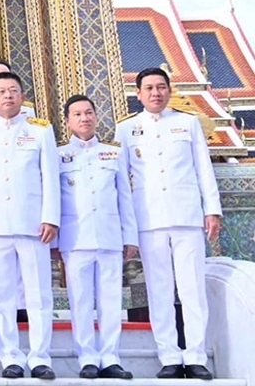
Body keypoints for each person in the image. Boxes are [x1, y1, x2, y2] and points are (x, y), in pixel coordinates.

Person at [114, 68, 222, 380]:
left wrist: (211, 210)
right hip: (148, 219)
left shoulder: (187, 123)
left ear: (169, 90)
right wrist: (127, 228)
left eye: (161, 87)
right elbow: (122, 183)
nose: (156, 93)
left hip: (186, 216)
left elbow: (204, 168)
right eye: (149, 88)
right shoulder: (127, 129)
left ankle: (196, 356)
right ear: (138, 93)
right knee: (159, 291)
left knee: (192, 289)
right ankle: (170, 356)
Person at [0, 71, 58, 379]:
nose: (8, 96)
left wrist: (51, 217)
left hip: (33, 224)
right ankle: (10, 356)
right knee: (3, 296)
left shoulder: (39, 131)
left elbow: (51, 177)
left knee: (38, 295)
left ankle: (40, 357)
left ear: (23, 96)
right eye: (2, 91)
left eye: (13, 91)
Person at [58, 95, 137, 380]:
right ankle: (87, 357)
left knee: (110, 300)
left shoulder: (112, 153)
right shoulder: (59, 155)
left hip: (109, 236)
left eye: (89, 112)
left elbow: (124, 199)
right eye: (77, 114)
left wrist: (130, 237)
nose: (84, 118)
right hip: (75, 238)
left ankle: (110, 356)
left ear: (96, 116)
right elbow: (55, 201)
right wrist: (55, 242)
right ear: (67, 120)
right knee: (80, 301)